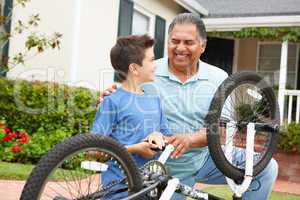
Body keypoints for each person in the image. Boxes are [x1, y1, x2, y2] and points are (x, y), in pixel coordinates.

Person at [100, 13, 278, 200]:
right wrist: (111, 99)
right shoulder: (147, 71)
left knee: (266, 167)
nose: (180, 48)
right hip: (156, 166)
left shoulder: (218, 77)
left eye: (188, 42)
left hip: (203, 160)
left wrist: (190, 139)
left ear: (202, 46)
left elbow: (222, 129)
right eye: (174, 41)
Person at [92, 34, 171, 199]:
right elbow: (94, 150)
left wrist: (158, 136)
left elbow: (167, 136)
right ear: (134, 68)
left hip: (149, 189)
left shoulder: (155, 100)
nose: (155, 65)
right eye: (151, 60)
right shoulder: (112, 101)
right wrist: (135, 149)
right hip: (118, 190)